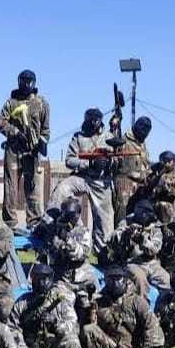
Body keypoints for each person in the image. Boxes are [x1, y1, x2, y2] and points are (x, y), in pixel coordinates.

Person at [50, 108, 116, 254]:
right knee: (62, 189)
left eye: (93, 122)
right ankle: (50, 223)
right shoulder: (78, 137)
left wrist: (108, 162)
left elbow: (118, 159)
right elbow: (69, 160)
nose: (90, 125)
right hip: (82, 177)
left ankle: (102, 253)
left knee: (105, 221)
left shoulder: (109, 137)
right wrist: (89, 163)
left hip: (101, 181)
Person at [84, 267, 164, 348]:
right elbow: (91, 330)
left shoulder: (137, 301)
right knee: (89, 329)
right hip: (109, 344)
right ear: (105, 280)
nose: (115, 283)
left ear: (126, 280)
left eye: (118, 279)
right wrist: (91, 311)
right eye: (111, 279)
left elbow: (152, 327)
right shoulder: (99, 301)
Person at [9, 263, 82, 348]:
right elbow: (12, 329)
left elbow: (73, 326)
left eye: (45, 279)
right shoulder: (22, 303)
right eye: (38, 279)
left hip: (53, 347)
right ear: (32, 280)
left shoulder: (60, 300)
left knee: (73, 342)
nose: (41, 283)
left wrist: (55, 323)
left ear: (51, 279)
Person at [0, 69, 50, 234]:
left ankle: (34, 222)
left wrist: (42, 142)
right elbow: (0, 122)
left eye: (29, 81)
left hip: (31, 153)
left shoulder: (41, 103)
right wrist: (15, 132)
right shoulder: (11, 102)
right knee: (10, 187)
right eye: (23, 81)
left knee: (33, 188)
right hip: (13, 151)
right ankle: (10, 223)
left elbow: (46, 129)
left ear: (34, 83)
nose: (26, 84)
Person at [41, 197, 98, 298]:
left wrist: (67, 239)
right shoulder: (55, 229)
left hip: (82, 279)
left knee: (89, 303)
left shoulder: (83, 232)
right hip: (62, 280)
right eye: (64, 214)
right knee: (63, 302)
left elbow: (83, 254)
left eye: (70, 216)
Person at [111, 117, 152, 227]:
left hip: (140, 185)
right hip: (125, 183)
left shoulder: (142, 144)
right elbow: (118, 166)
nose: (145, 134)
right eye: (143, 130)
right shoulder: (124, 141)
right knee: (122, 213)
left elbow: (145, 163)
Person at [140, 151, 175, 224]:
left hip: (165, 206)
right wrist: (155, 177)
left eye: (168, 161)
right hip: (150, 203)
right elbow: (145, 181)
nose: (166, 163)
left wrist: (166, 188)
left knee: (163, 206)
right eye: (163, 160)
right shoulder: (155, 171)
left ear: (173, 162)